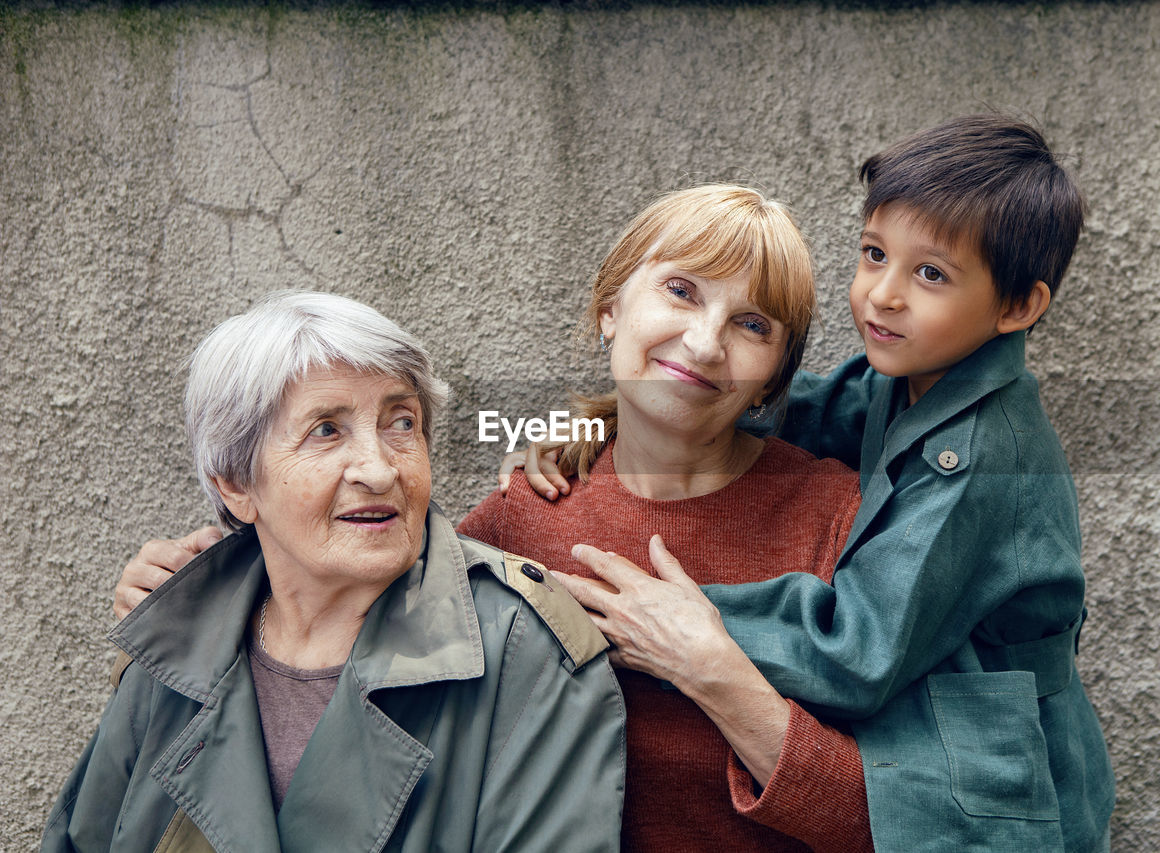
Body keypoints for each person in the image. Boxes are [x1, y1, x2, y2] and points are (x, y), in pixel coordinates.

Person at [110, 186, 874, 852]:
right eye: (681, 290)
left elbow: (901, 822)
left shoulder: (838, 516)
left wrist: (716, 673)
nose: (705, 341)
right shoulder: (523, 515)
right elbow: (332, 613)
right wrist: (184, 610)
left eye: (752, 325)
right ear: (610, 310)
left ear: (777, 371)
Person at [517, 116, 1115, 852]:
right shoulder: (909, 380)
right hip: (939, 734)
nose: (884, 294)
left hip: (999, 784)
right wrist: (610, 416)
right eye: (874, 253)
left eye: (930, 274)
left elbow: (855, 647)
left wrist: (683, 616)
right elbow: (779, 406)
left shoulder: (983, 456)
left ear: (1017, 307)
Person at [45, 291, 626, 852]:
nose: (378, 470)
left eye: (402, 423)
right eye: (326, 429)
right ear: (236, 485)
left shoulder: (523, 646)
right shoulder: (173, 638)